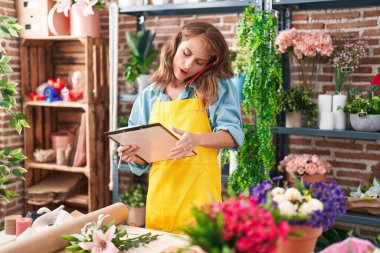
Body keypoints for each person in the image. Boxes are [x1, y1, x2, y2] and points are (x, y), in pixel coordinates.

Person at [117, 22, 244, 234]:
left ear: (209, 65)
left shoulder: (215, 87)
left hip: (201, 201)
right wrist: (132, 154)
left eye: (199, 62)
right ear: (175, 45)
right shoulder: (150, 95)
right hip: (161, 201)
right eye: (186, 53)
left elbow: (233, 135)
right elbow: (141, 160)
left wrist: (197, 139)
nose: (188, 64)